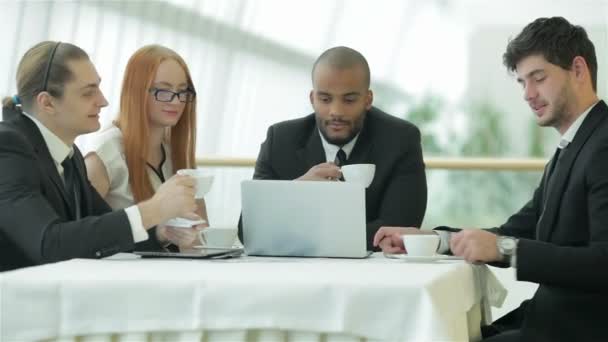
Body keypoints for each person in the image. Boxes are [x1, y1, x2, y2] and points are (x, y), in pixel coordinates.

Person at [374, 17, 608, 341]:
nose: (528, 93)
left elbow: (603, 263)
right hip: (550, 321)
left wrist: (503, 248)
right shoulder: (572, 148)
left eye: (538, 78)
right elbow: (513, 232)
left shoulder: (603, 145)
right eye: (522, 82)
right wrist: (430, 239)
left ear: (579, 70)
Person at [0, 41, 199, 271]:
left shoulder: (70, 155)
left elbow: (99, 230)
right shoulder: (7, 147)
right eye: (88, 92)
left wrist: (162, 231)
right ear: (47, 102)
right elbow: (49, 243)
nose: (103, 101)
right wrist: (152, 209)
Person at [240, 46, 427, 250]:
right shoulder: (280, 140)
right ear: (312, 99)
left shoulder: (400, 140)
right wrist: (296, 191)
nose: (336, 111)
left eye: (349, 100)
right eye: (325, 99)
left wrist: (298, 233)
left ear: (367, 100)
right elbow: (249, 230)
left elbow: (400, 229)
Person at [84, 45, 207, 251]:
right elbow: (84, 238)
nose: (176, 101)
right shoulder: (106, 154)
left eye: (182, 91)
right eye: (163, 91)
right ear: (137, 92)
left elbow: (201, 237)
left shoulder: (173, 153)